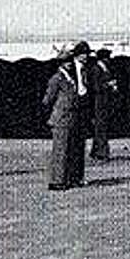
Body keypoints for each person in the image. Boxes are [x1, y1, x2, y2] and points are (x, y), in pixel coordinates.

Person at [43, 43, 89, 190]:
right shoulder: (57, 78)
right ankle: (56, 181)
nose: (68, 64)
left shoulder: (69, 77)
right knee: (60, 151)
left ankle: (66, 178)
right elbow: (47, 99)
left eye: (69, 61)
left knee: (68, 150)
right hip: (61, 118)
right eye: (65, 61)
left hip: (70, 118)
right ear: (60, 63)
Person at [88, 48, 115, 161]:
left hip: (104, 101)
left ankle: (95, 151)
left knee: (101, 127)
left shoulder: (105, 69)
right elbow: (96, 87)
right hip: (99, 102)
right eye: (107, 57)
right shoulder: (96, 69)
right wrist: (108, 85)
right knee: (101, 127)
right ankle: (102, 152)